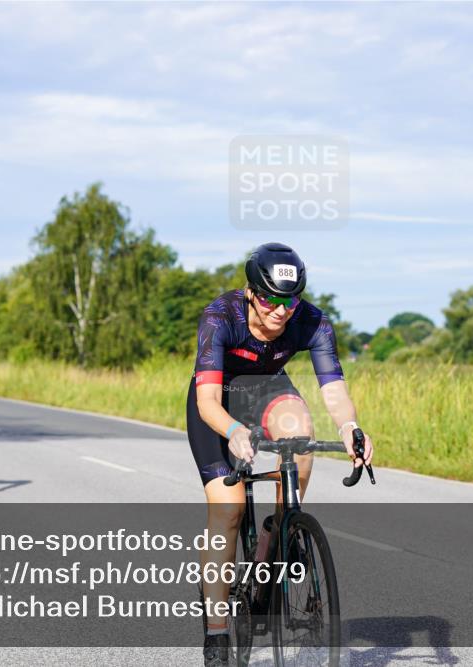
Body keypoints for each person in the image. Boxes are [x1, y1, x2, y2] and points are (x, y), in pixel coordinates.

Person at [186, 242, 374, 666]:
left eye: (289, 301)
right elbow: (208, 401)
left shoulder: (311, 321)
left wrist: (349, 426)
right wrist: (233, 430)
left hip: (268, 389)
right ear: (251, 292)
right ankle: (217, 635)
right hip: (219, 402)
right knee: (229, 509)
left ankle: (283, 523)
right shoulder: (221, 317)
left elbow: (333, 388)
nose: (280, 310)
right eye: (270, 299)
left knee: (301, 431)